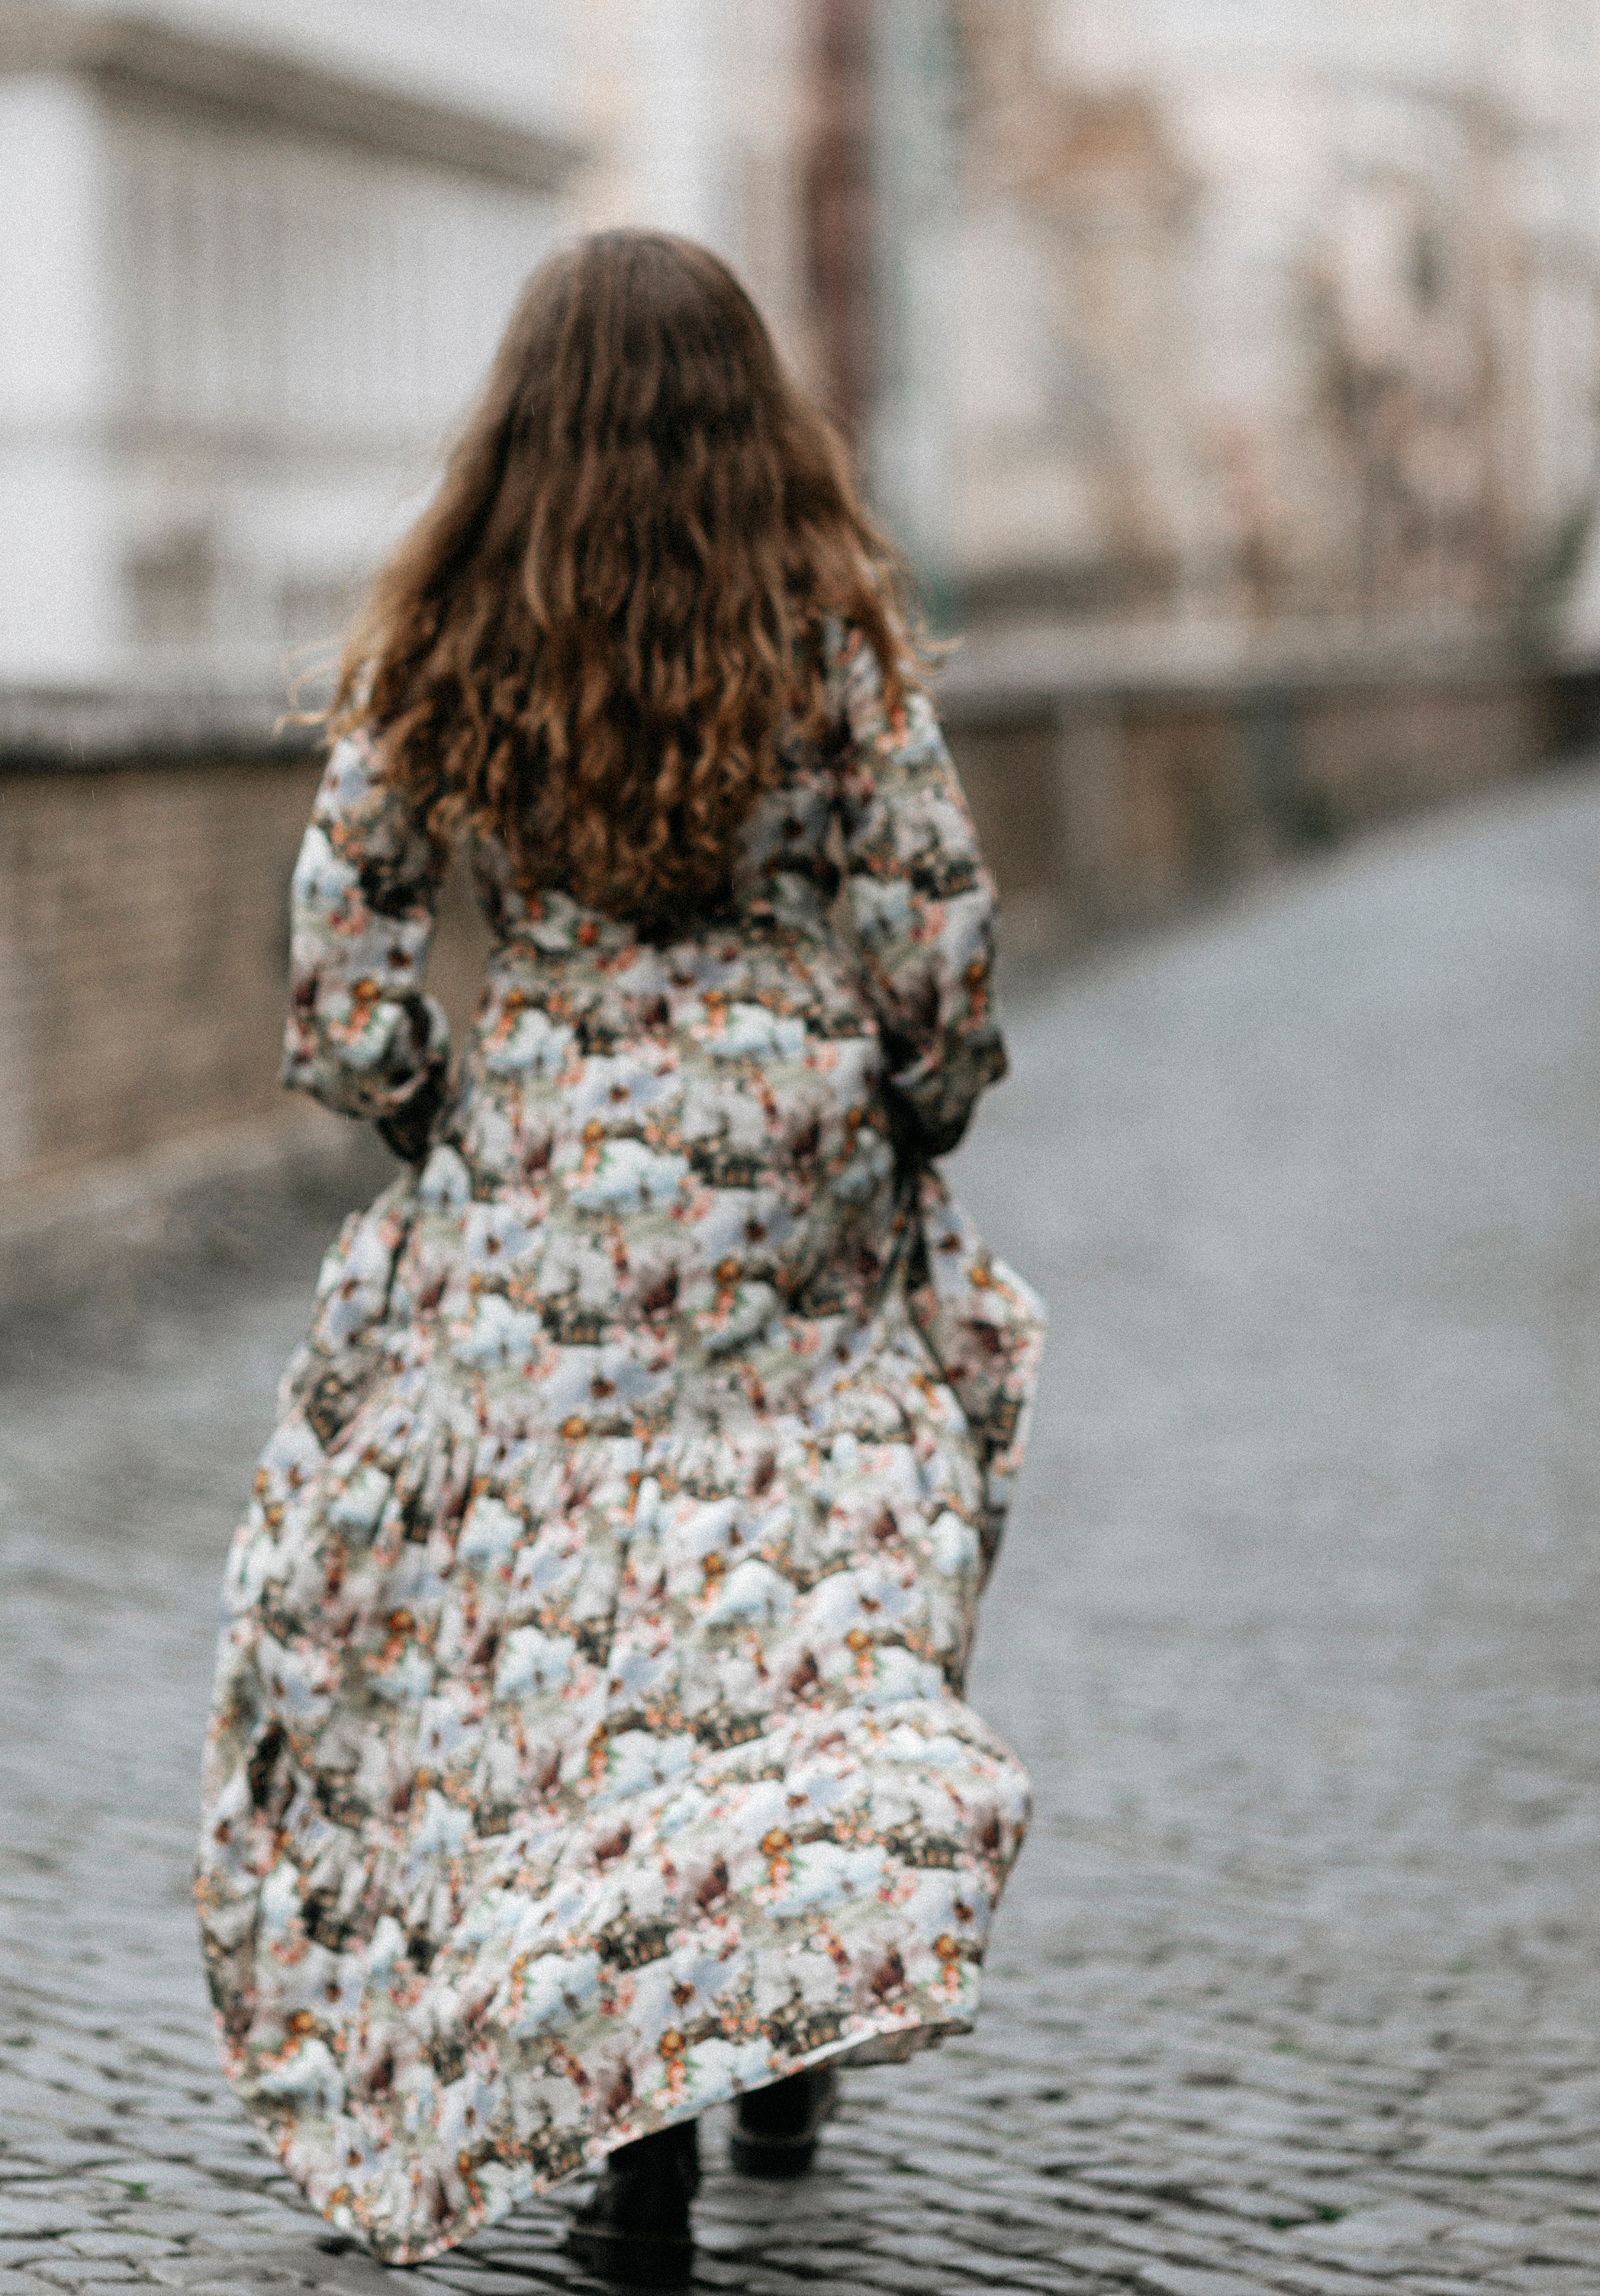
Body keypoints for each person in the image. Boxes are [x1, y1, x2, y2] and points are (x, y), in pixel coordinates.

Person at [196, 230, 1045, 2286]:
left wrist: (432, 1113)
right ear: (752, 413)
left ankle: (634, 2141)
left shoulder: (460, 625)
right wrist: (906, 1113)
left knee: (576, 1661)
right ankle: (771, 2018)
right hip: (789, 1182)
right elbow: (937, 930)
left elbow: (344, 950)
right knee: (791, 1617)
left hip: (551, 1174)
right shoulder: (822, 625)